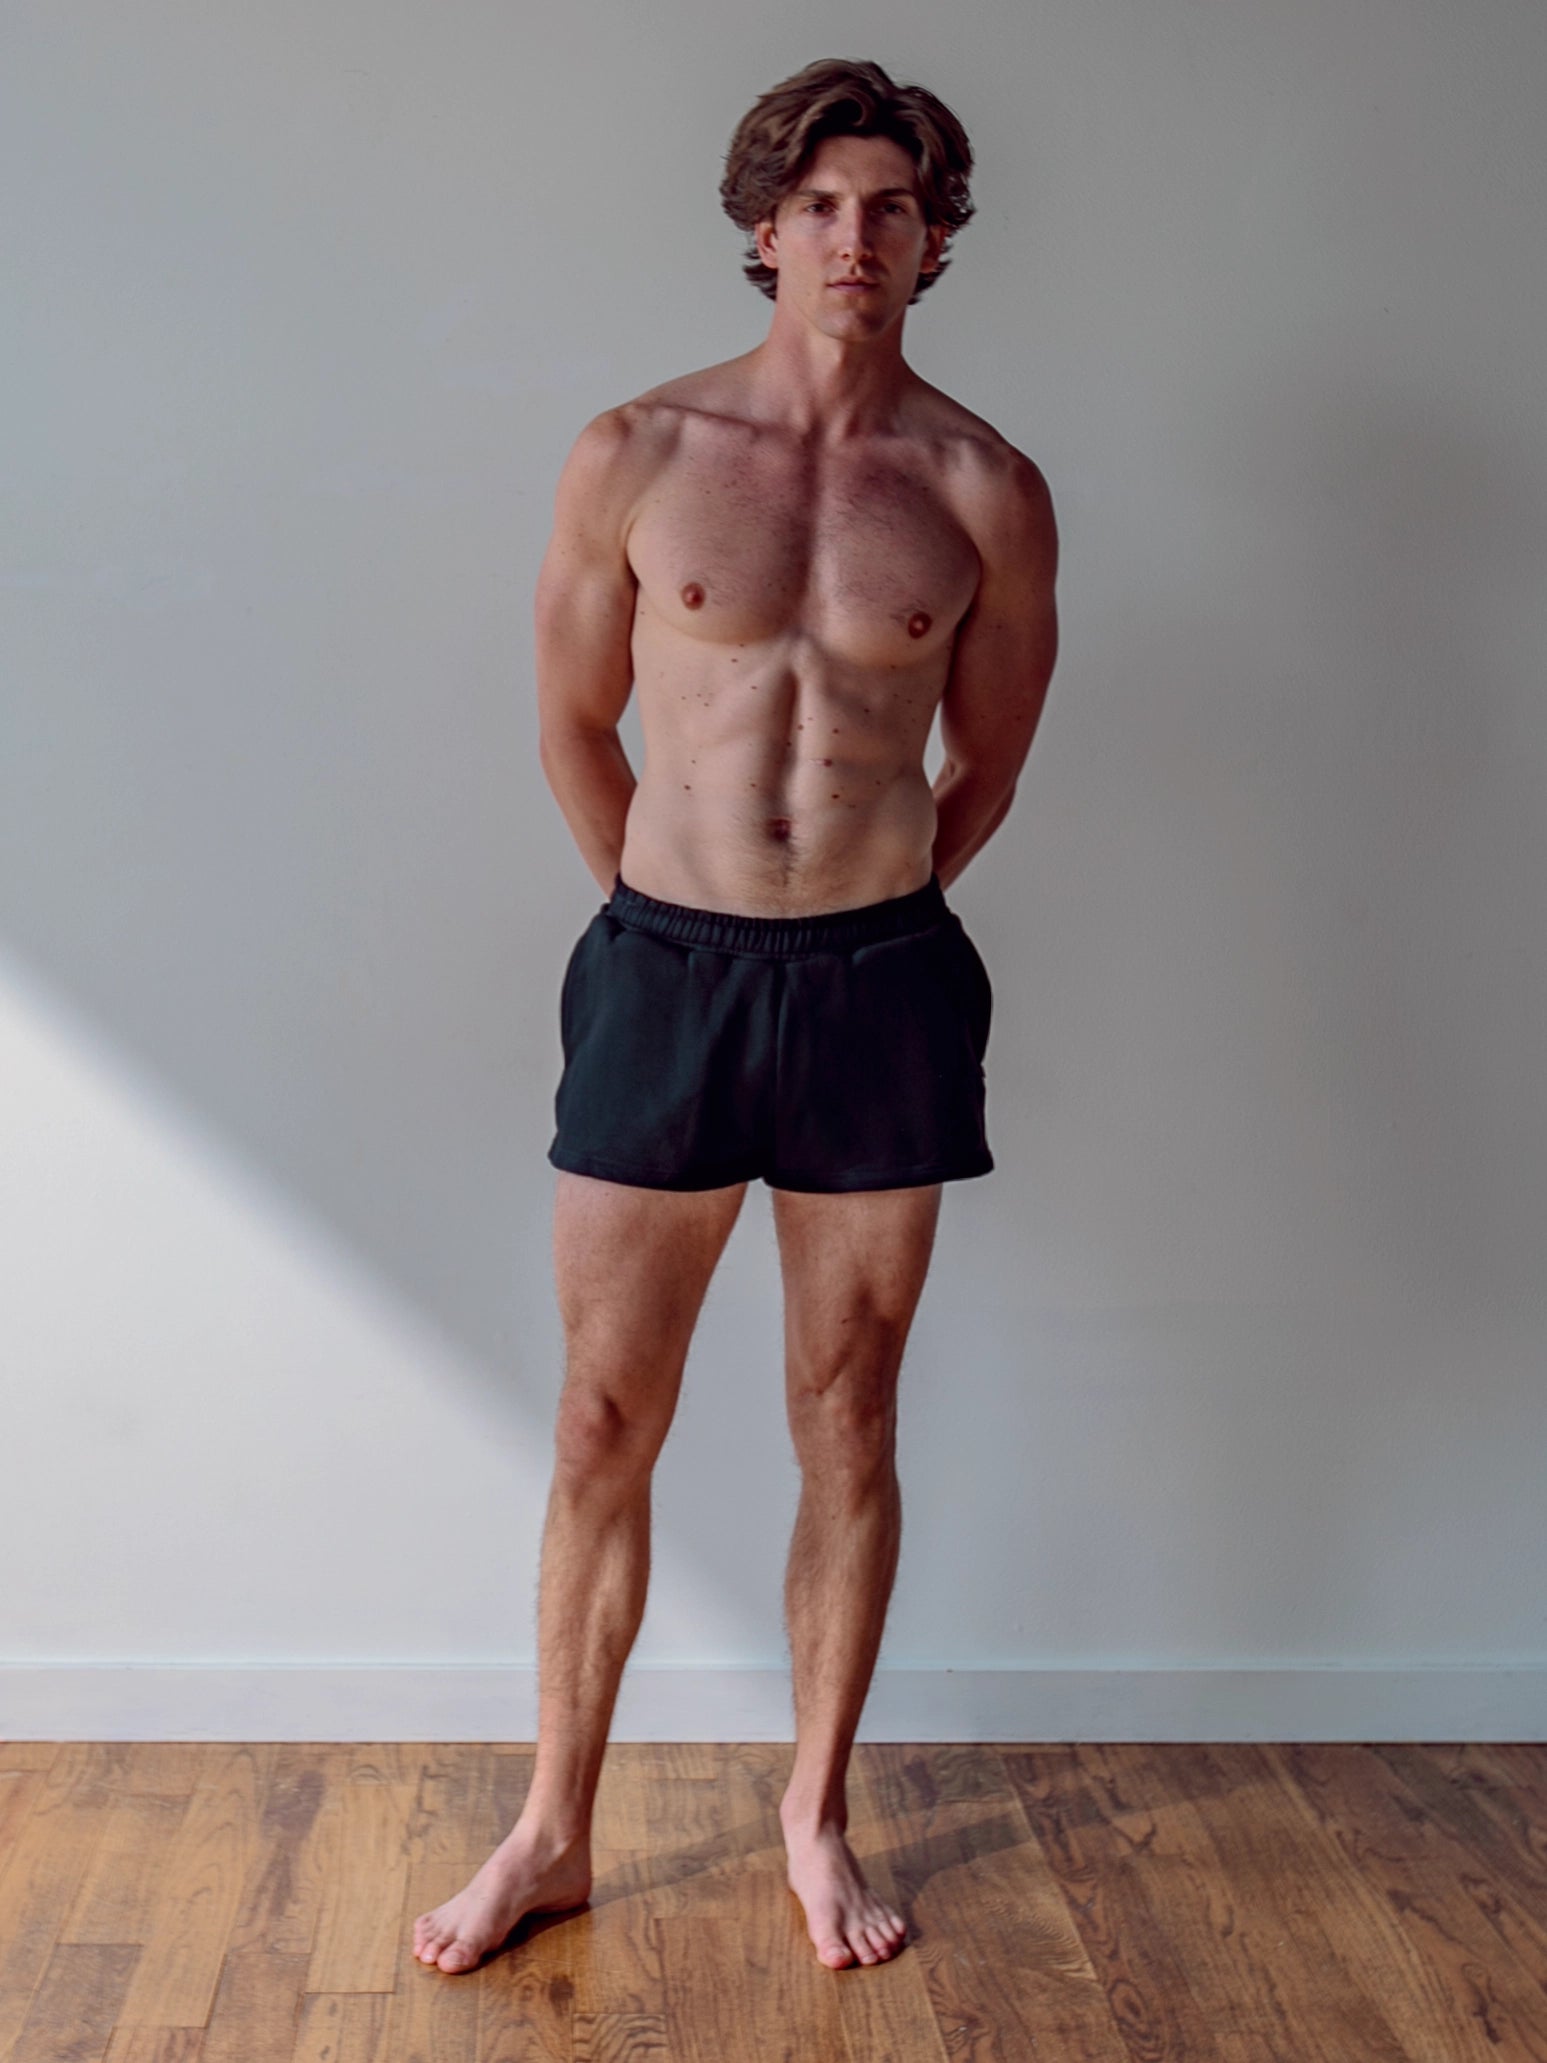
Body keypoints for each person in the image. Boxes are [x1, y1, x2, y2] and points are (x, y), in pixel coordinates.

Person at [414, 54, 1059, 1978]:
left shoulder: (983, 490)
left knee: (843, 1411)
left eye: (894, 206)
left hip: (875, 979)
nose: (855, 237)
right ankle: (550, 1829)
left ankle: (812, 1815)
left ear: (936, 240)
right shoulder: (635, 449)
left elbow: (991, 759)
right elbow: (567, 717)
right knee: (607, 1411)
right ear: (761, 228)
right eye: (823, 204)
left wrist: (853, 913)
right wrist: (668, 907)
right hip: (668, 971)